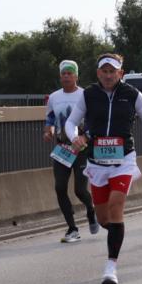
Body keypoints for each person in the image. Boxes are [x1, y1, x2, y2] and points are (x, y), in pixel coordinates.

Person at [67, 53, 142, 284]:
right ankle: (116, 232)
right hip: (97, 163)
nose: (109, 75)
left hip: (124, 160)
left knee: (116, 204)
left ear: (121, 73)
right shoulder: (88, 95)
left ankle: (111, 267)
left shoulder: (132, 94)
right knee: (104, 218)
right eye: (105, 71)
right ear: (98, 73)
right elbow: (71, 122)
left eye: (113, 71)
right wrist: (75, 137)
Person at [44, 60, 99, 244]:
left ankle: (91, 210)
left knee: (79, 190)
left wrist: (85, 137)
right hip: (62, 147)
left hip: (81, 147)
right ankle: (72, 228)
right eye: (64, 74)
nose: (67, 76)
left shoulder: (85, 95)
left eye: (70, 73)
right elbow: (51, 117)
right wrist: (48, 130)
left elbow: (92, 120)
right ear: (60, 76)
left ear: (76, 76)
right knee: (60, 187)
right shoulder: (54, 97)